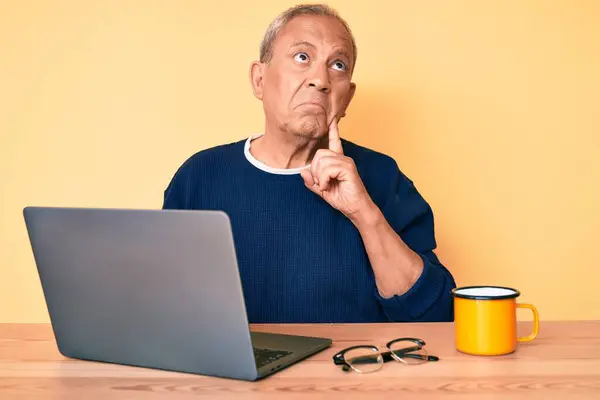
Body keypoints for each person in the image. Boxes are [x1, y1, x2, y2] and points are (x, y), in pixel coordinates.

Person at [162, 3, 456, 323]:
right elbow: (165, 310)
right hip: (232, 373)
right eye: (303, 57)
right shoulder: (200, 177)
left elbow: (437, 315)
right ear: (259, 79)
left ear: (347, 98)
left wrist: (363, 213)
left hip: (353, 369)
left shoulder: (384, 178)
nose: (321, 79)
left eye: (338, 65)